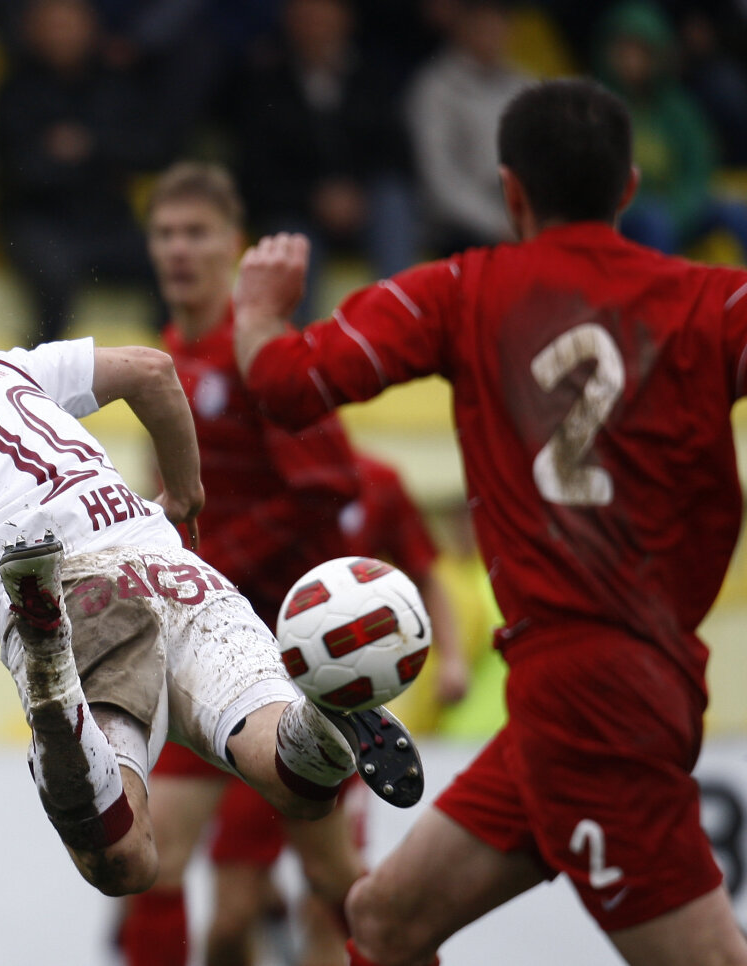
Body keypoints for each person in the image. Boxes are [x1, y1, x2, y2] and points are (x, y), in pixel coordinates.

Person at [231, 76, 747, 966]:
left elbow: (285, 383)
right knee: (385, 920)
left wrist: (259, 312)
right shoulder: (714, 303)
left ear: (510, 191)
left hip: (589, 701)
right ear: (629, 188)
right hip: (607, 685)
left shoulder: (462, 291)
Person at [0, 265, 425, 900]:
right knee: (296, 781)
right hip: (175, 568)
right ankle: (327, 703)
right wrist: (186, 494)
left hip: (78, 601)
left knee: (123, 859)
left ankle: (52, 675)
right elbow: (151, 371)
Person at [116, 162, 462, 966]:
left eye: (196, 232)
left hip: (283, 659)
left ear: (233, 246)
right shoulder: (165, 352)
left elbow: (331, 481)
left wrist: (218, 560)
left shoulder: (253, 354)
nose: (179, 249)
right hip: (206, 644)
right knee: (149, 853)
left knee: (334, 878)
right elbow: (169, 490)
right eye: (165, 233)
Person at [232, 0, 420, 314]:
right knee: (292, 243)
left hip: (365, 204)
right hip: (296, 210)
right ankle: (295, 347)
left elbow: (398, 155)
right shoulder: (264, 82)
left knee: (393, 201)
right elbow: (256, 172)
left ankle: (399, 321)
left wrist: (353, 193)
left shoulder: (372, 78)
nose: (314, 22)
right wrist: (313, 198)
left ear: (345, 19)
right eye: (305, 14)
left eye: (323, 12)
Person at [0, 0, 158, 346]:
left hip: (105, 219)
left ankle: (169, 352)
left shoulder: (114, 84)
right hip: (37, 219)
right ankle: (47, 364)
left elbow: (148, 150)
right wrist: (95, 163)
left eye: (69, 24)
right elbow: (17, 172)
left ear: (90, 28)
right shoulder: (13, 89)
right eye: (52, 25)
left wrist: (87, 148)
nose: (61, 34)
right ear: (31, 31)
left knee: (166, 258)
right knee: (53, 271)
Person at [593, 0, 747, 258]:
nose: (631, 61)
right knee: (654, 221)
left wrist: (679, 209)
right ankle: (663, 297)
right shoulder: (595, 106)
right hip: (624, 214)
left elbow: (698, 167)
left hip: (677, 207)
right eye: (624, 50)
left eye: (640, 51)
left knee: (734, 211)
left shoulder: (677, 108)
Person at [405, 0, 531, 254]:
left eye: (497, 25)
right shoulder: (434, 88)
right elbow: (438, 179)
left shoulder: (523, 85)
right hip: (456, 228)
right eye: (481, 25)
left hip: (520, 219)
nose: (490, 33)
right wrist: (498, 224)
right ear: (461, 28)